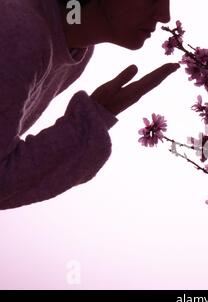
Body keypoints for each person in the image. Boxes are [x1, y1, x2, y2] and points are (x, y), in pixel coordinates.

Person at [0, 0, 179, 209]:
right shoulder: (21, 33)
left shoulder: (76, 51)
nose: (164, 15)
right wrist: (91, 120)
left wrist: (98, 114)